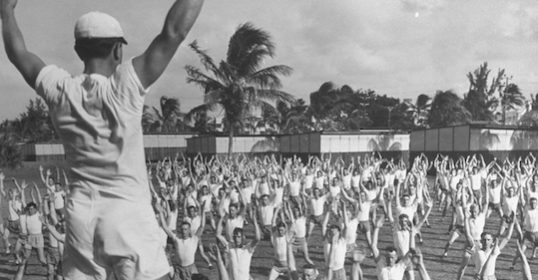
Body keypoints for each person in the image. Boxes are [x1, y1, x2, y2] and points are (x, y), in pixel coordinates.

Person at [1, 0, 204, 278]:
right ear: (118, 50)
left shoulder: (60, 88)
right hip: (129, 220)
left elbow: (19, 54)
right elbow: (174, 33)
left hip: (81, 220)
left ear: (77, 50)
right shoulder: (126, 85)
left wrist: (6, 11)